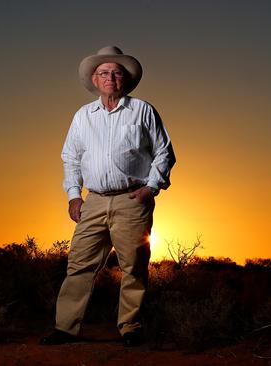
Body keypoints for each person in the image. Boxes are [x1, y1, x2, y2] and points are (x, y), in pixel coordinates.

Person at [40, 46, 176, 347]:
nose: (110, 77)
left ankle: (130, 327)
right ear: (94, 78)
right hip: (95, 201)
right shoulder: (83, 116)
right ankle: (66, 328)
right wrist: (74, 195)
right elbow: (71, 158)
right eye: (104, 73)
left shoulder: (142, 110)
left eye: (116, 73)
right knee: (79, 265)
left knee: (134, 266)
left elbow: (164, 152)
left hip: (132, 200)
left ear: (124, 79)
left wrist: (151, 187)